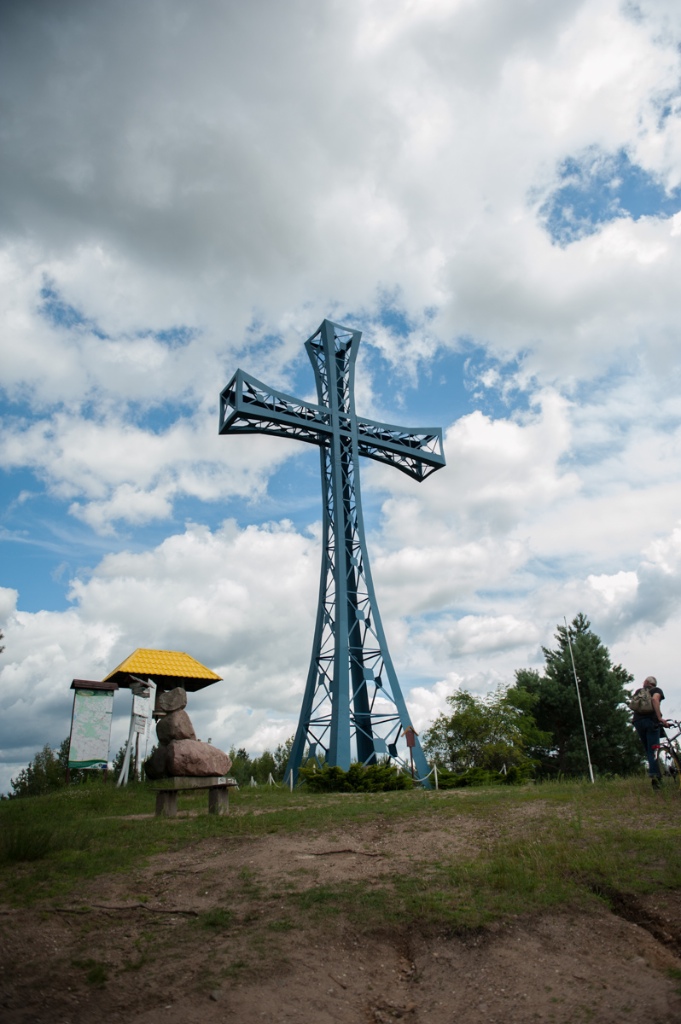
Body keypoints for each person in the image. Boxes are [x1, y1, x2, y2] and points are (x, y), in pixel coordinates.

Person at [632, 675, 668, 790]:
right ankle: (656, 779)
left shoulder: (639, 692)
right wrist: (660, 718)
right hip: (651, 721)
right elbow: (654, 699)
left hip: (638, 722)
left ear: (647, 682)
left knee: (649, 751)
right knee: (654, 750)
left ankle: (655, 775)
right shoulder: (657, 691)